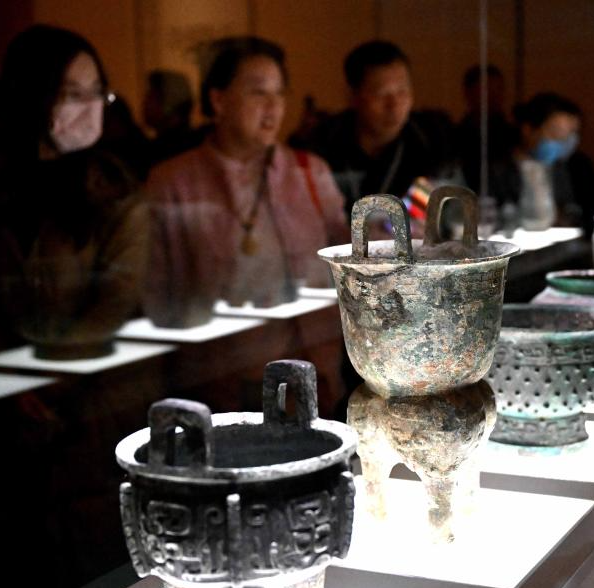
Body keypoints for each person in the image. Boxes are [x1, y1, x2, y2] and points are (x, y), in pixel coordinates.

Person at [145, 36, 348, 415]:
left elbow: (348, 257)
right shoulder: (173, 183)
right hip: (218, 383)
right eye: (258, 93)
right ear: (218, 100)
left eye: (279, 93)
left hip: (311, 376)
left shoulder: (308, 172)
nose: (273, 107)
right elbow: (155, 297)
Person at [0, 24, 148, 360]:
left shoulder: (115, 188)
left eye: (98, 92)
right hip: (5, 377)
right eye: (72, 95)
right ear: (31, 96)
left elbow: (118, 300)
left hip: (94, 373)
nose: (92, 109)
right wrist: (7, 369)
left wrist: (54, 367)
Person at [308, 40, 456, 211]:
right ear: (352, 96)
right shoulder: (322, 146)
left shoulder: (431, 141)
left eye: (402, 91)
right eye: (381, 94)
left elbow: (450, 210)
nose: (394, 105)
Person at [492, 92, 594, 235]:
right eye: (556, 133)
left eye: (571, 134)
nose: (564, 142)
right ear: (528, 129)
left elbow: (593, 216)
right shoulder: (498, 169)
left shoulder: (577, 166)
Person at [454, 64, 517, 198]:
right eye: (487, 89)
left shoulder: (511, 133)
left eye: (499, 89)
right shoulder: (458, 134)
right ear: (469, 92)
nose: (495, 96)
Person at [141, 69, 205, 164]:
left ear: (170, 105)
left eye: (152, 96)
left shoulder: (175, 152)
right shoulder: (157, 147)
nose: (145, 102)